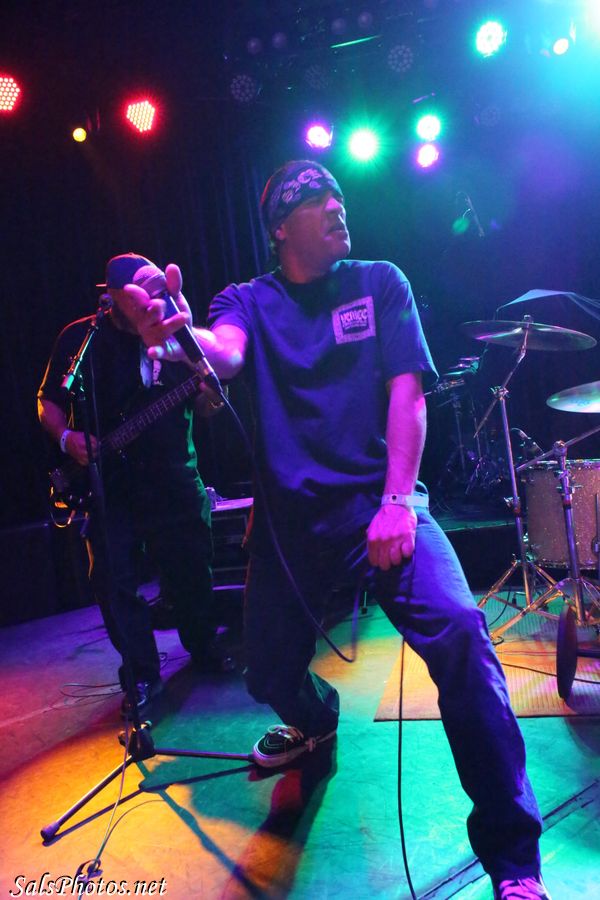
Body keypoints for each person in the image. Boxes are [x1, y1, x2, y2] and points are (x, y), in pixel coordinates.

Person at [133, 163, 551, 899]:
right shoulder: (248, 301)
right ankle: (317, 720)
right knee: (268, 675)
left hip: (381, 509)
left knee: (461, 632)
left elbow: (407, 396)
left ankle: (514, 860)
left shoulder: (379, 283)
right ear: (279, 227)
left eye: (337, 193)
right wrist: (179, 340)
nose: (335, 204)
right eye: (313, 197)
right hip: (290, 530)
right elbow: (224, 350)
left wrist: (397, 500)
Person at [38, 253, 223, 717]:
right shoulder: (80, 339)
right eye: (137, 296)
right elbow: (49, 401)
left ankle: (204, 647)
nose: (149, 304)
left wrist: (211, 397)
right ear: (112, 300)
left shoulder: (176, 331)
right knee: (114, 582)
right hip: (111, 487)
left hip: (174, 477)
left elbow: (207, 405)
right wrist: (67, 438)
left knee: (192, 567)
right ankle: (141, 673)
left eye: (155, 291)